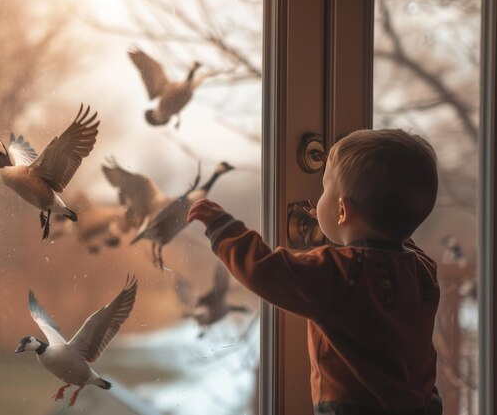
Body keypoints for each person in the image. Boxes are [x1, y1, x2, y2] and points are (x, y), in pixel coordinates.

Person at [187, 129, 443, 415]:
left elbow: (267, 272)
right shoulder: (422, 269)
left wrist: (224, 229)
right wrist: (334, 218)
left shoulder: (342, 273)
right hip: (421, 405)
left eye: (325, 191)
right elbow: (392, 230)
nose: (319, 198)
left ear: (343, 212)